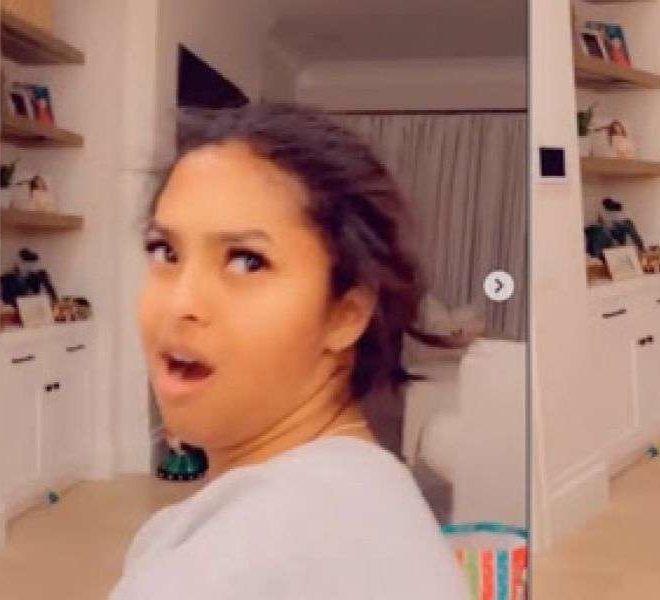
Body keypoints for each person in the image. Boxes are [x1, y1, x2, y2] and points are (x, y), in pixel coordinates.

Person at [110, 104, 467, 599]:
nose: (180, 303)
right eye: (165, 252)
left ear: (345, 314)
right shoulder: (364, 492)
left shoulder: (245, 557)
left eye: (246, 261)